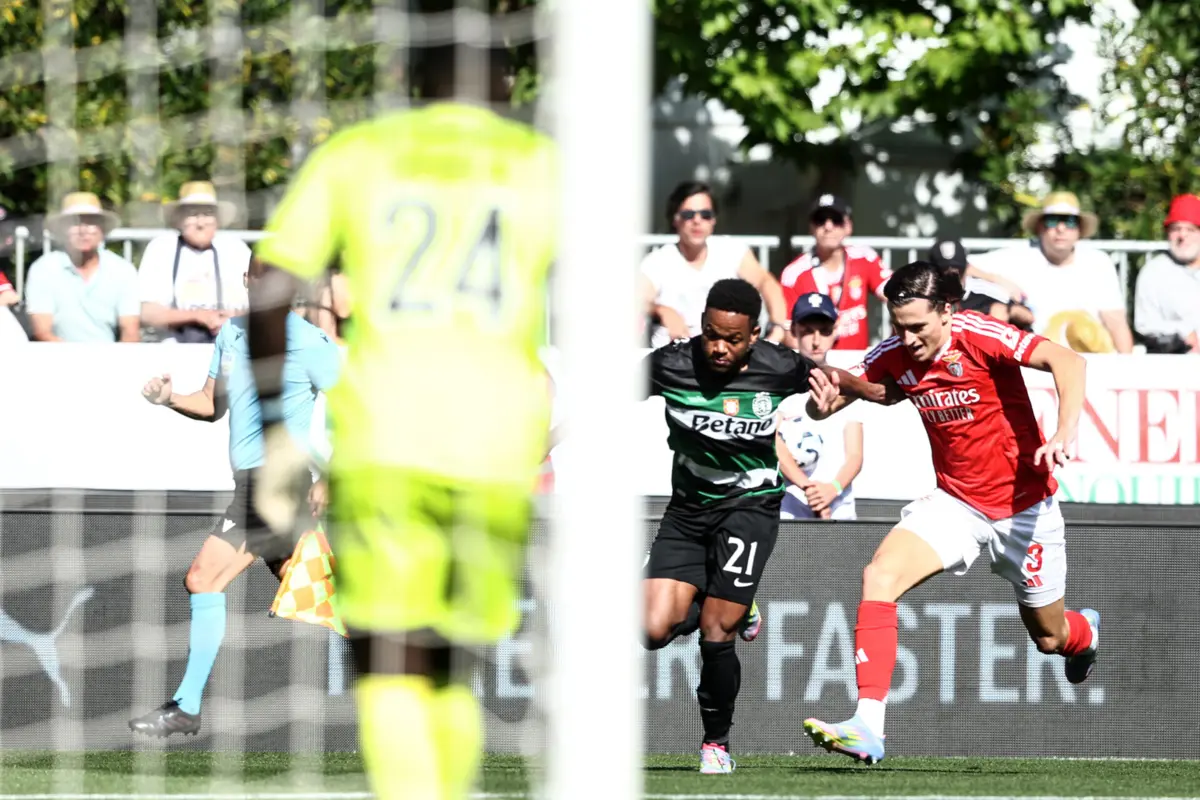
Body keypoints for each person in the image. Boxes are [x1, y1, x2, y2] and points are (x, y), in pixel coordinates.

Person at [244, 30, 554, 800]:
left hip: (386, 438)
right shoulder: (541, 165)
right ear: (507, 86)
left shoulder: (360, 154)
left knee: (386, 656)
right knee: (453, 659)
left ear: (417, 81)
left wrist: (280, 433)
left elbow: (273, 281)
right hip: (494, 448)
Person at [799, 261, 1100, 765]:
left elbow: (1070, 362)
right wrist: (823, 404)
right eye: (900, 327)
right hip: (955, 502)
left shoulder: (981, 335)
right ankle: (868, 726)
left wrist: (1064, 431)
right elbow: (864, 390)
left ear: (946, 310)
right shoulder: (897, 352)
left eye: (918, 326)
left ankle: (1085, 634)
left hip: (1024, 509)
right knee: (879, 576)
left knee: (1051, 638)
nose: (908, 338)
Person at [643, 278, 886, 774]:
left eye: (731, 339)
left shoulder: (778, 364)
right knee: (650, 630)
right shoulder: (669, 363)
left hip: (750, 506)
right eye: (710, 334)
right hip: (688, 509)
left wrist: (878, 391)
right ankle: (732, 598)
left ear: (753, 334)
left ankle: (716, 744)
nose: (718, 347)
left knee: (717, 629)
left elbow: (831, 377)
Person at [128, 262, 340, 738]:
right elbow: (210, 404)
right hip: (250, 485)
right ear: (247, 282)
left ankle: (186, 707)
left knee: (204, 578)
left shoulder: (311, 343)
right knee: (315, 589)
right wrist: (168, 399)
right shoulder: (232, 336)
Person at [641, 180, 792, 349]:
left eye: (705, 214)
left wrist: (778, 329)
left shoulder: (731, 250)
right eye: (688, 215)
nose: (697, 221)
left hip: (729, 355)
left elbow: (766, 283)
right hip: (676, 359)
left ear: (714, 220)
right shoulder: (658, 261)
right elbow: (636, 300)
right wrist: (662, 310)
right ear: (675, 219)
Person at [775, 293, 864, 521]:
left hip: (839, 506)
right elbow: (772, 443)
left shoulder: (848, 381)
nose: (816, 341)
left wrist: (832, 490)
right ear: (793, 330)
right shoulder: (778, 384)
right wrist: (810, 490)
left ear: (835, 331)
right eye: (807, 331)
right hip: (790, 506)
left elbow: (855, 454)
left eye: (824, 331)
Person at [779, 194, 890, 350]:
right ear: (811, 227)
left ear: (848, 226)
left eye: (836, 220)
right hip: (815, 365)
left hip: (857, 364)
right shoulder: (794, 274)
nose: (828, 226)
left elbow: (897, 298)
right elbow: (788, 333)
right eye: (820, 220)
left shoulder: (865, 258)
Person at [1133, 193, 1200, 353]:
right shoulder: (1154, 272)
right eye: (1176, 229)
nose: (1182, 236)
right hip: (1173, 361)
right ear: (1168, 233)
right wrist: (1182, 331)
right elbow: (1144, 324)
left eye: (1190, 229)